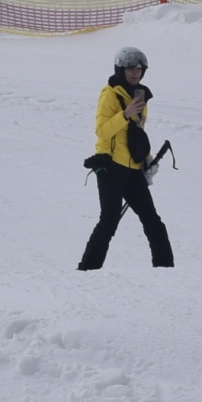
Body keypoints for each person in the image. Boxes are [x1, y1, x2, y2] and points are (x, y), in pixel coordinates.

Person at [77, 46, 175, 270]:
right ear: (120, 70)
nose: (135, 73)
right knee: (109, 221)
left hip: (133, 169)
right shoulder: (110, 94)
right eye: (131, 69)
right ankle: (87, 270)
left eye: (139, 69)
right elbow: (102, 131)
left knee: (153, 221)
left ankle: (165, 270)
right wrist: (125, 114)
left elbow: (136, 134)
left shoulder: (140, 95)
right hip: (110, 166)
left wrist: (146, 158)